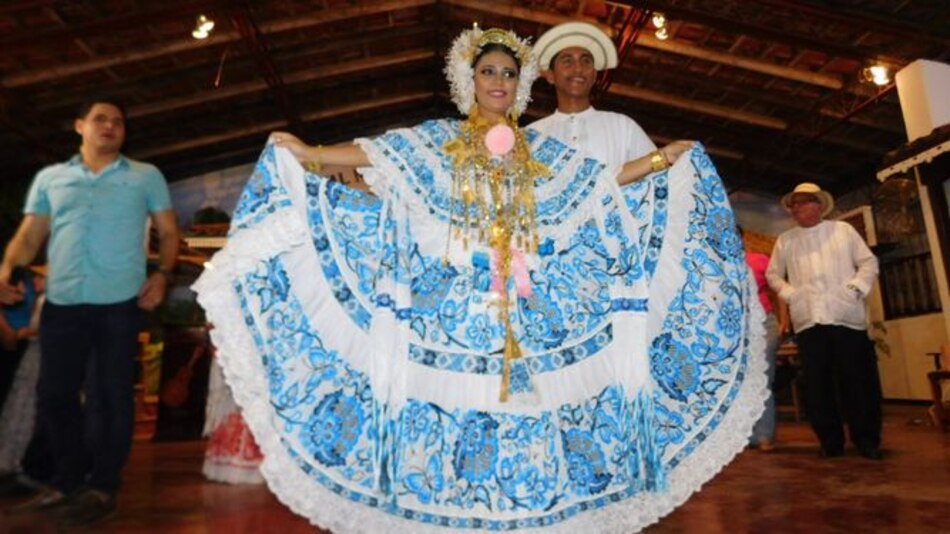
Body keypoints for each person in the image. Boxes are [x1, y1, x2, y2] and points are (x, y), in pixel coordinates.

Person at [194, 27, 766, 532]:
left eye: (509, 74)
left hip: (527, 302)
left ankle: (525, 511)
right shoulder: (438, 137)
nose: (499, 81)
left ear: (522, 85)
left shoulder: (537, 148)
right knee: (462, 405)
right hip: (461, 304)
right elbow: (377, 155)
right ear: (469, 80)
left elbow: (600, 181)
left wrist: (664, 160)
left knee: (529, 410)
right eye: (489, 71)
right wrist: (308, 153)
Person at [0, 99, 179, 526]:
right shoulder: (52, 178)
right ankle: (67, 481)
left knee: (109, 396)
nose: (110, 126)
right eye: (101, 119)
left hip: (119, 303)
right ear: (79, 126)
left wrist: (163, 274)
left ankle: (102, 486)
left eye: (118, 121)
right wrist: (5, 268)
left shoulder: (145, 176)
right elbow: (29, 236)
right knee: (53, 395)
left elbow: (170, 232)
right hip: (62, 303)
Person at [766, 182, 882, 460]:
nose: (797, 208)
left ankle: (866, 439)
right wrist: (792, 295)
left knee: (857, 380)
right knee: (818, 384)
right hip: (809, 320)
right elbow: (773, 274)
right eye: (794, 204)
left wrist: (854, 289)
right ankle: (830, 442)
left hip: (846, 317)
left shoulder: (843, 231)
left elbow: (868, 263)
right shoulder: (786, 240)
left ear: (819, 205)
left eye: (803, 202)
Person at [529, 21, 692, 179]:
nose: (578, 68)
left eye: (586, 61)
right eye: (567, 61)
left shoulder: (622, 126)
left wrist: (668, 157)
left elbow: (658, 179)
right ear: (550, 75)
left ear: (594, 75)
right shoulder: (531, 136)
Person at [739, 227, 784, 452]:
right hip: (737, 330)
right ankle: (746, 435)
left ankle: (764, 434)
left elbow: (778, 291)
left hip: (765, 324)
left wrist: (784, 322)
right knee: (742, 383)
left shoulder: (759, 260)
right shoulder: (718, 266)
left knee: (763, 377)